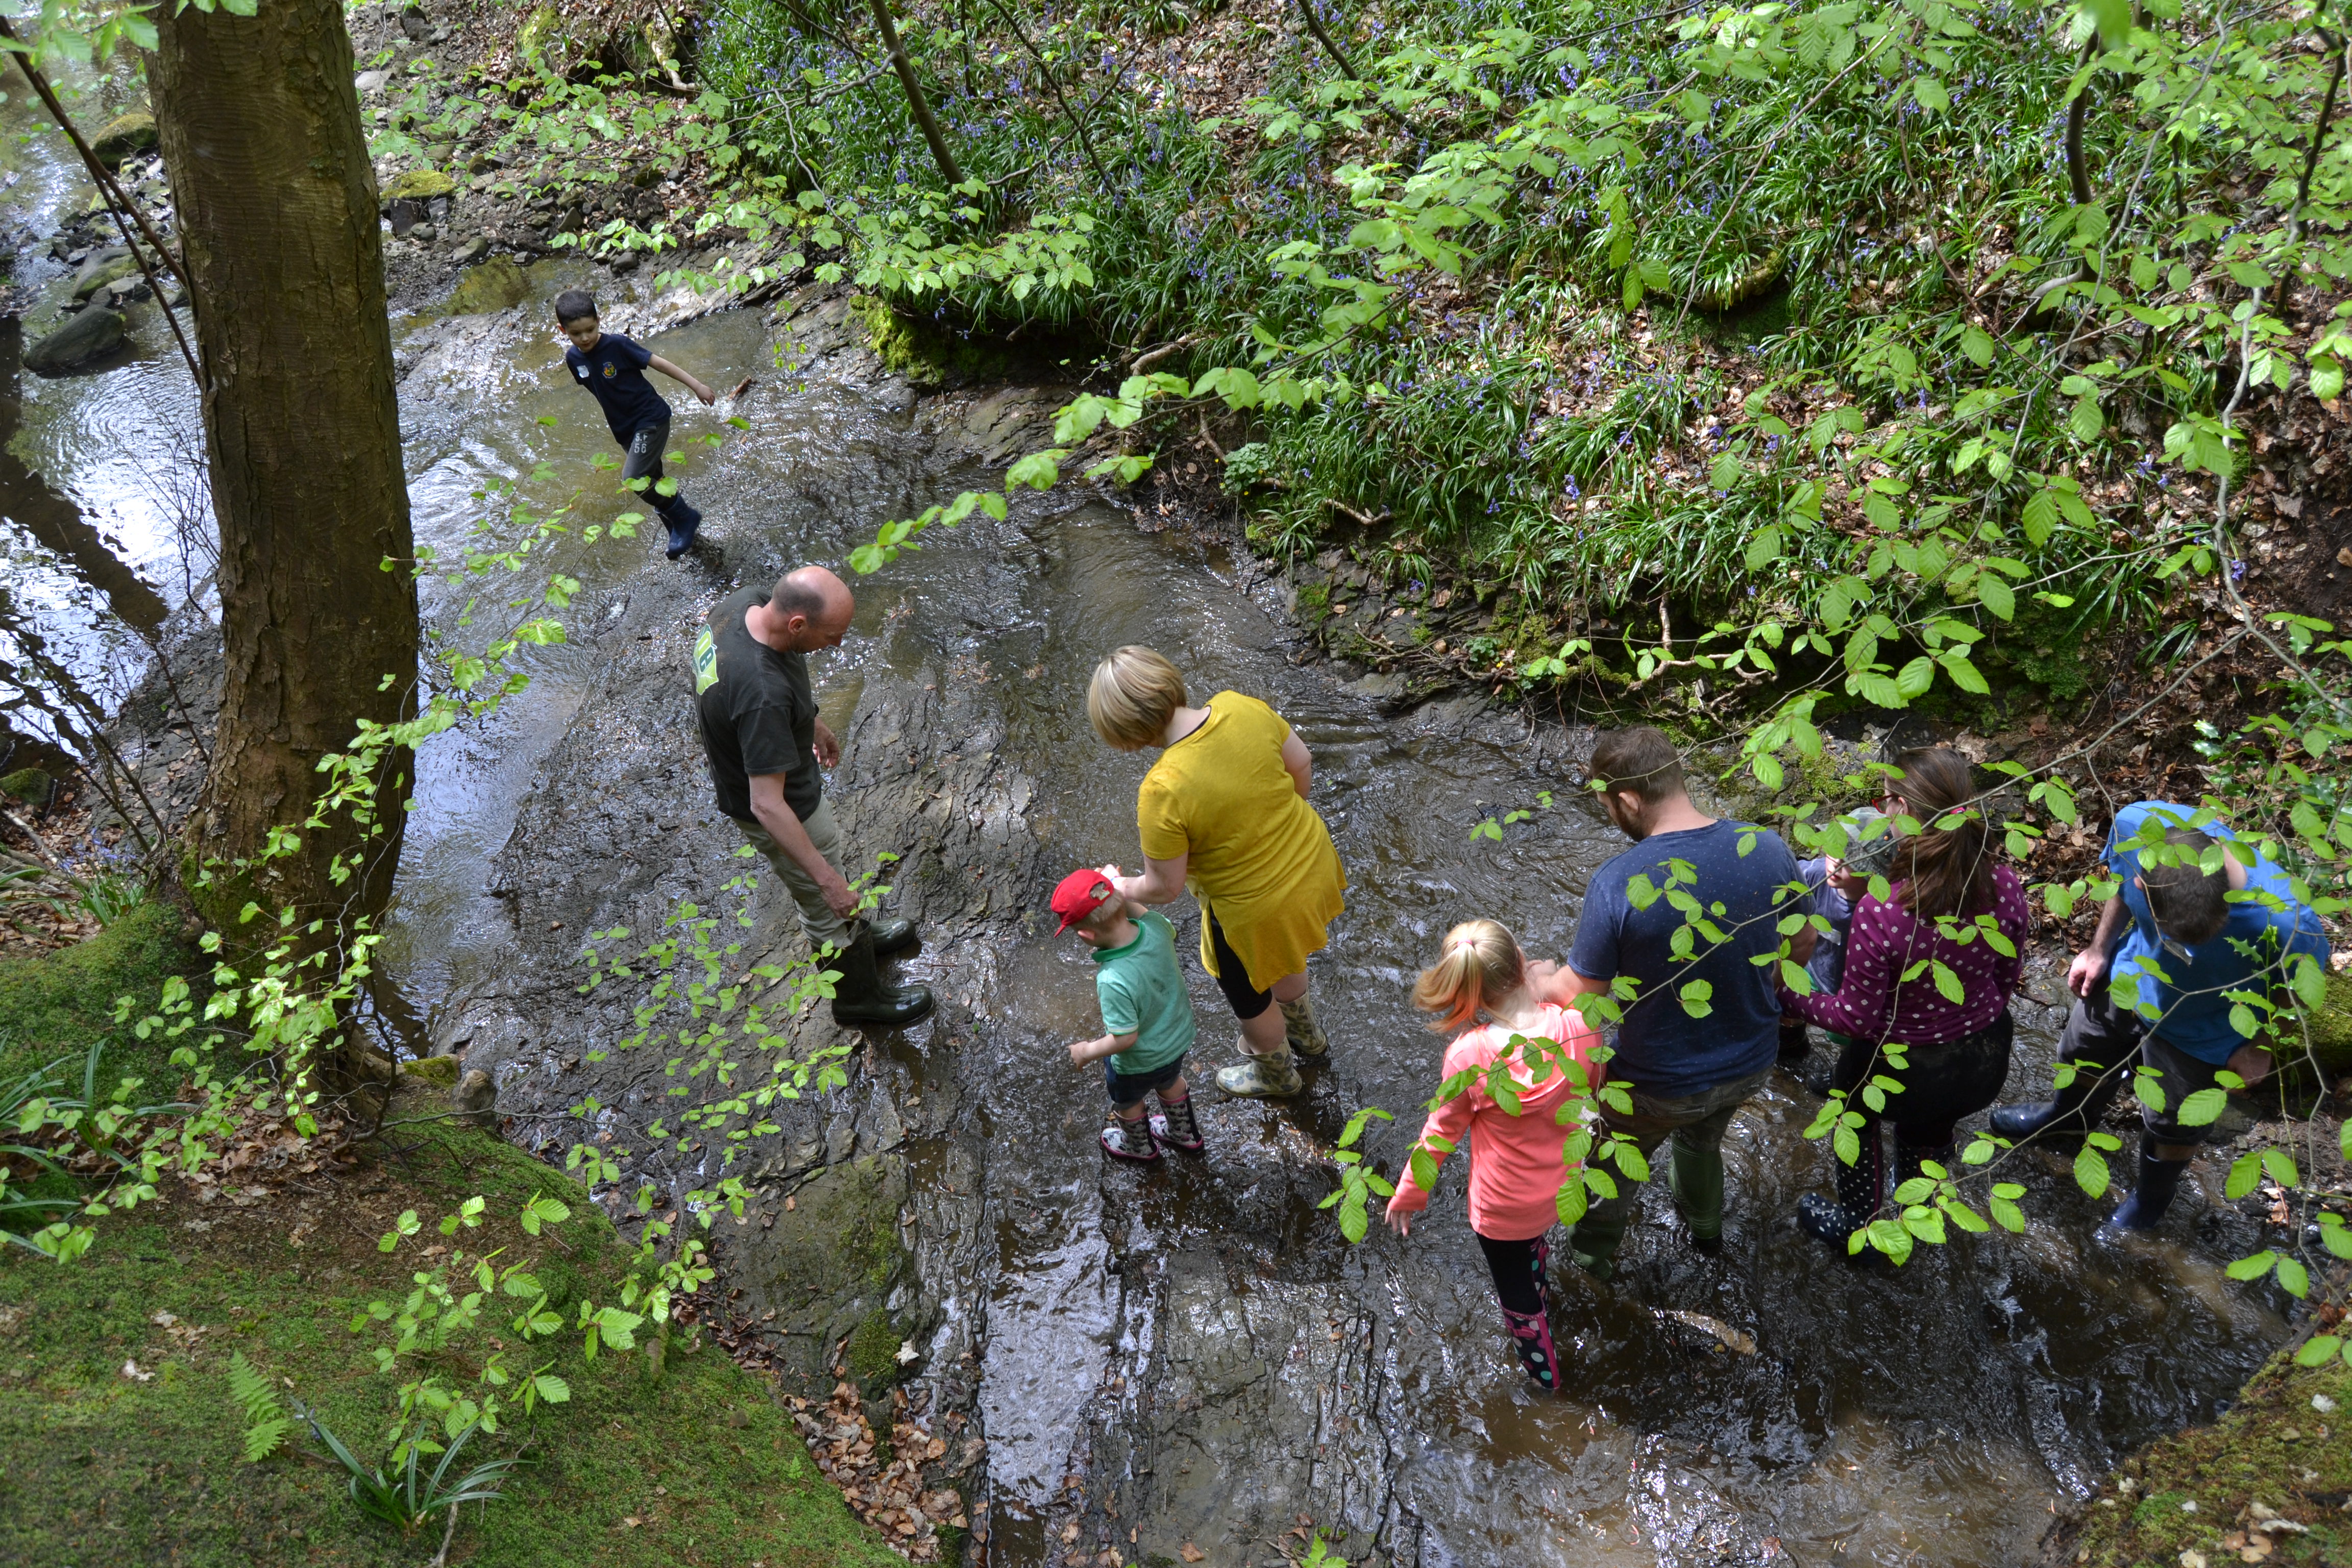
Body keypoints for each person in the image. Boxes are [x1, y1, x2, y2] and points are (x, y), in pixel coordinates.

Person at [1529, 725, 1813, 1280]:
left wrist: (1531, 981)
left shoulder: (1620, 881)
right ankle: (1707, 1232)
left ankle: (1591, 1261)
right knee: (1704, 1140)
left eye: (1610, 805)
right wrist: (1752, 987)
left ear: (1629, 800)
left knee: (1614, 1165)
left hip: (1655, 1084)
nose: (1612, 815)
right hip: (1752, 1063)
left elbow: (1584, 995)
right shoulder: (1768, 847)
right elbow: (1803, 941)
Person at [1988, 801, 2328, 1236]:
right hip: (2129, 981)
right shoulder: (2138, 828)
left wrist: (2258, 1047)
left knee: (2174, 1124)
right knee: (2081, 1052)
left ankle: (2150, 1202)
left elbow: (2299, 992)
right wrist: (2099, 949)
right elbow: (2118, 889)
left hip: (2205, 1029)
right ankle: (2068, 1120)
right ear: (2141, 875)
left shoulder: (2288, 925)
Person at [1777, 749, 2030, 1246]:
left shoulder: (1886, 907)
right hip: (1982, 1058)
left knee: (1858, 1122)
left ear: (1897, 807)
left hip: (1899, 1066)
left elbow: (1854, 1019)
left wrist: (1786, 991)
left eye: (1884, 802)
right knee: (1927, 1133)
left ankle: (1862, 1230)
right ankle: (1915, 1215)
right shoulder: (2002, 883)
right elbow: (2007, 977)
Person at [1088, 647, 1346, 1100]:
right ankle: (1307, 1035)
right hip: (1312, 863)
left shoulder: (1163, 789)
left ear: (1132, 735)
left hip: (1251, 911)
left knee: (1249, 996)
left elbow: (1164, 887)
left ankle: (1276, 1072)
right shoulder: (1240, 705)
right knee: (1285, 954)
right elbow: (1301, 764)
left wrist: (1115, 884)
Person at [692, 565, 932, 1027]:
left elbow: (779, 677)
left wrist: (811, 720)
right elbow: (767, 805)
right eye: (832, 637)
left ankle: (857, 933)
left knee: (833, 881)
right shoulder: (762, 694)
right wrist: (828, 883)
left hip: (770, 768)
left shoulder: (747, 604)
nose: (837, 646)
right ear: (798, 624)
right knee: (824, 904)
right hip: (783, 808)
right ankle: (858, 1001)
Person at [1385, 920, 1603, 1393]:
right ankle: (1541, 1284)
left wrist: (1410, 1193)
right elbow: (1597, 1079)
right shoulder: (1576, 1026)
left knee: (1516, 1297)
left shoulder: (1470, 1056)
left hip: (1503, 1208)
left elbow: (1440, 1132)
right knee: (1534, 1252)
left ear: (1470, 996)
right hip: (1560, 1187)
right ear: (1522, 961)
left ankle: (1546, 1381)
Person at [1055, 869, 1205, 1163]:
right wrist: (1117, 892)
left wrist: (1087, 1051)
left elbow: (1125, 1037)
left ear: (1086, 934)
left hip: (1137, 1062)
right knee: (1171, 1080)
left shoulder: (1111, 978)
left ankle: (1139, 1146)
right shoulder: (1157, 928)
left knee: (1128, 1101)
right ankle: (1185, 1134)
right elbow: (1142, 913)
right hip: (1177, 1040)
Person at [555, 287, 715, 560]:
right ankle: (681, 533)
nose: (585, 338)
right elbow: (601, 390)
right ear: (563, 331)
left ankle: (686, 519)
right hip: (625, 430)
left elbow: (659, 364)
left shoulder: (617, 345)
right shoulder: (574, 359)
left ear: (599, 322)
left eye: (590, 330)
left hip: (650, 419)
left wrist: (697, 385)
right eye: (576, 334)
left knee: (633, 479)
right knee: (653, 480)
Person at [1778, 805, 1897, 1074]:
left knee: (1853, 1043)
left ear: (1875, 872)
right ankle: (1792, 1049)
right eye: (1835, 847)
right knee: (1786, 1007)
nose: (1837, 861)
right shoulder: (1813, 876)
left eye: (1852, 859)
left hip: (1858, 989)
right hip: (1812, 968)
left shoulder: (1883, 906)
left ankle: (1846, 1075)